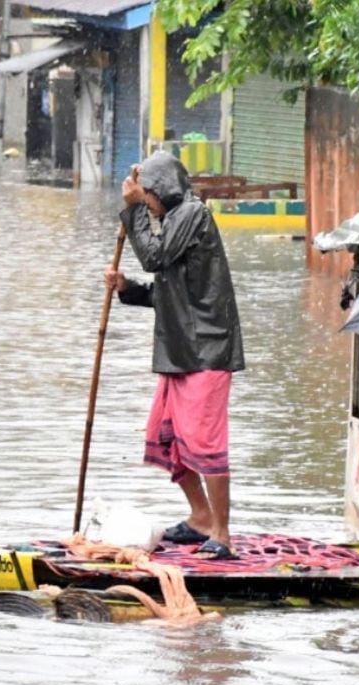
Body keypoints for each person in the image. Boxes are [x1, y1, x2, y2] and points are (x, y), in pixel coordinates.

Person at [103, 151, 245, 559]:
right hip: (180, 351)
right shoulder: (173, 222)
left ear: (161, 191)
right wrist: (128, 289)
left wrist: (130, 213)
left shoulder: (192, 215)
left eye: (148, 198)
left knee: (204, 441)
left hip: (207, 351)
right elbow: (166, 288)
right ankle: (200, 516)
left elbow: (154, 256)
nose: (146, 206)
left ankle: (223, 534)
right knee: (165, 437)